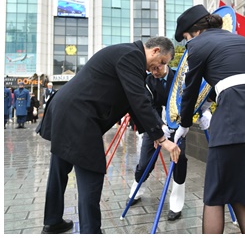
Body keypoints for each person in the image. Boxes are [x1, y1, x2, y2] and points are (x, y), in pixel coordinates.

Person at [38, 37, 181, 234]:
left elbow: (133, 103)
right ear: (155, 50)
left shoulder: (127, 55)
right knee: (91, 175)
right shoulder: (132, 56)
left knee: (59, 169)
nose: (160, 68)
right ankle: (91, 231)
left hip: (66, 110)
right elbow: (138, 99)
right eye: (163, 62)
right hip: (80, 116)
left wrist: (154, 133)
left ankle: (52, 221)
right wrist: (162, 139)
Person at [174, 4, 245, 234]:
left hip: (233, 122)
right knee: (244, 193)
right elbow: (236, 78)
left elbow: (190, 90)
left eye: (185, 38)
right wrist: (210, 102)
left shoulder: (198, 45)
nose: (187, 44)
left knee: (215, 194)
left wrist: (184, 124)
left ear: (194, 31)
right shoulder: (243, 41)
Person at [128, 65, 191, 222]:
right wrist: (160, 126)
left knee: (179, 159)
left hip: (178, 125)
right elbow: (149, 106)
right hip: (155, 125)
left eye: (158, 68)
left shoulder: (179, 76)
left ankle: (176, 204)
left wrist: (198, 115)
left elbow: (190, 99)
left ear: (166, 61)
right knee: (144, 162)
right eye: (152, 69)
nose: (154, 72)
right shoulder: (148, 81)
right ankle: (136, 190)